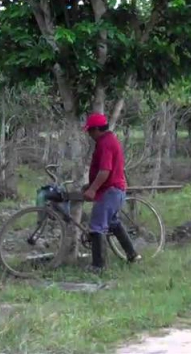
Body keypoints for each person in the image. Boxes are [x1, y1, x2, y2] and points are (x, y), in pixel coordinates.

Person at [82, 112, 141, 271]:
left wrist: (92, 189)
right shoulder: (107, 140)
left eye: (90, 131)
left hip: (110, 191)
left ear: (96, 130)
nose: (89, 134)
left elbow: (105, 171)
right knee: (113, 223)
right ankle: (132, 255)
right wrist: (90, 185)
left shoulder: (106, 143)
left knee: (96, 226)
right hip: (114, 190)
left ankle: (98, 266)